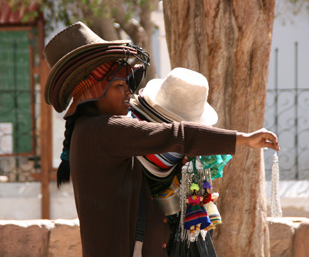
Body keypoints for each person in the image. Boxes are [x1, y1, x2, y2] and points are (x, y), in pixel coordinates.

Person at [43, 22, 280, 257]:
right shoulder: (104, 130)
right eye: (119, 85)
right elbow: (178, 135)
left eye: (128, 84)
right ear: (93, 91)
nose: (129, 92)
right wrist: (244, 139)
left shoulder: (94, 130)